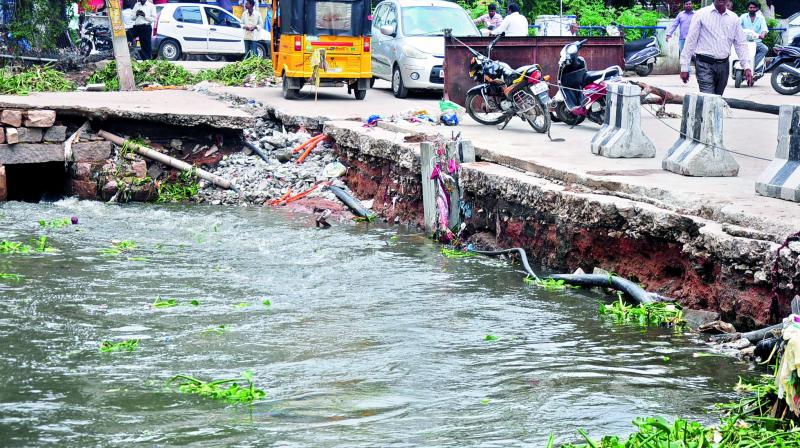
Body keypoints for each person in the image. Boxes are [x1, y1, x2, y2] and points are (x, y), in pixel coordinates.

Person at [680, 0, 751, 95]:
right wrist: (684, 67)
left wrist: (746, 67)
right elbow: (690, 41)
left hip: (723, 65)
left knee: (718, 98)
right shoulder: (701, 14)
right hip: (704, 64)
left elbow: (740, 43)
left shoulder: (734, 18)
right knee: (708, 97)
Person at [740, 1, 768, 69]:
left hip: (756, 42)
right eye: (750, 7)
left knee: (764, 49)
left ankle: (753, 66)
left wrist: (763, 34)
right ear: (748, 8)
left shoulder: (761, 18)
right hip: (744, 42)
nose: (752, 9)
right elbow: (737, 26)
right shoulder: (743, 17)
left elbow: (764, 29)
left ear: (757, 8)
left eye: (754, 7)